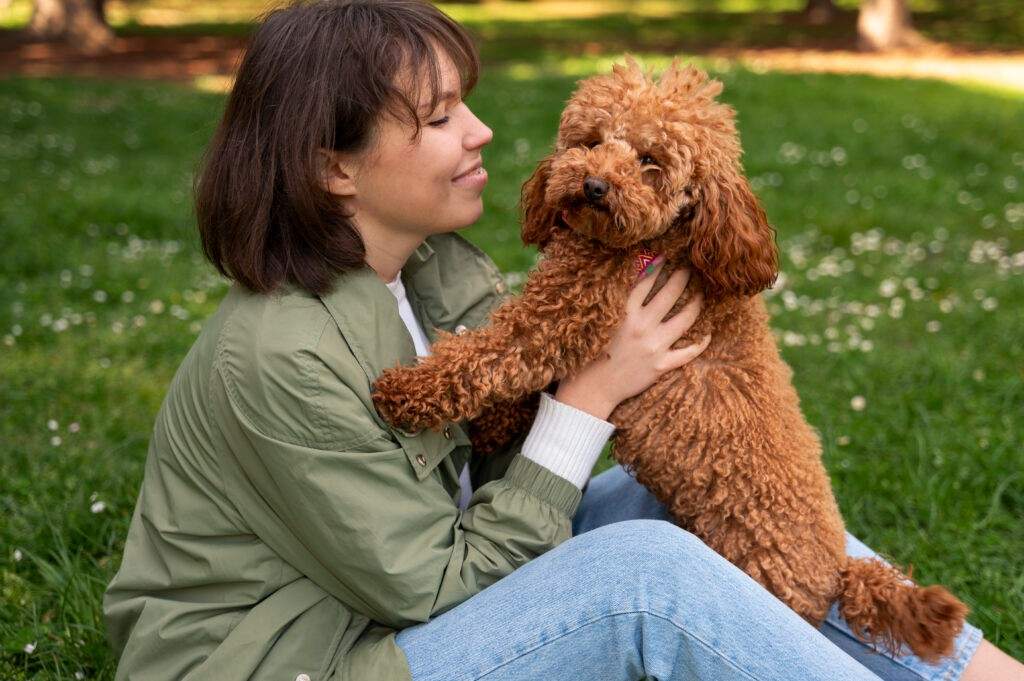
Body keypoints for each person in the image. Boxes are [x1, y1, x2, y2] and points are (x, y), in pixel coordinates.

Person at [102, 0, 1024, 679]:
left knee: (682, 506)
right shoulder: (277, 354)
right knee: (640, 575)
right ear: (332, 166)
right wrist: (592, 392)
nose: (482, 131)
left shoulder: (436, 271)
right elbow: (427, 589)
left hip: (402, 599)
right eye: (438, 118)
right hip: (304, 659)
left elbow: (496, 474)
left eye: (466, 103)